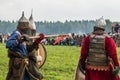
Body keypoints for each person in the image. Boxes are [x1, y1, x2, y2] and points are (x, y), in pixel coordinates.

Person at [6, 11, 44, 80]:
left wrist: (37, 41)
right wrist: (18, 41)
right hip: (17, 65)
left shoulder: (22, 36)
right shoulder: (16, 34)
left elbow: (28, 49)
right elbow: (8, 44)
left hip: (25, 64)